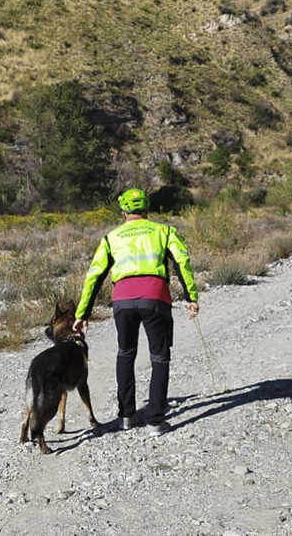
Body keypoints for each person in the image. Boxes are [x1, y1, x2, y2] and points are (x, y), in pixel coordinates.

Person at [72, 187, 200, 437]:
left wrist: (82, 313)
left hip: (123, 301)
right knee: (159, 357)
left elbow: (95, 275)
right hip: (156, 298)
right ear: (147, 210)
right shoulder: (164, 231)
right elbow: (182, 262)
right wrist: (190, 297)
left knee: (126, 353)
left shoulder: (112, 237)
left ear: (123, 212)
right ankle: (154, 421)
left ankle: (127, 416)